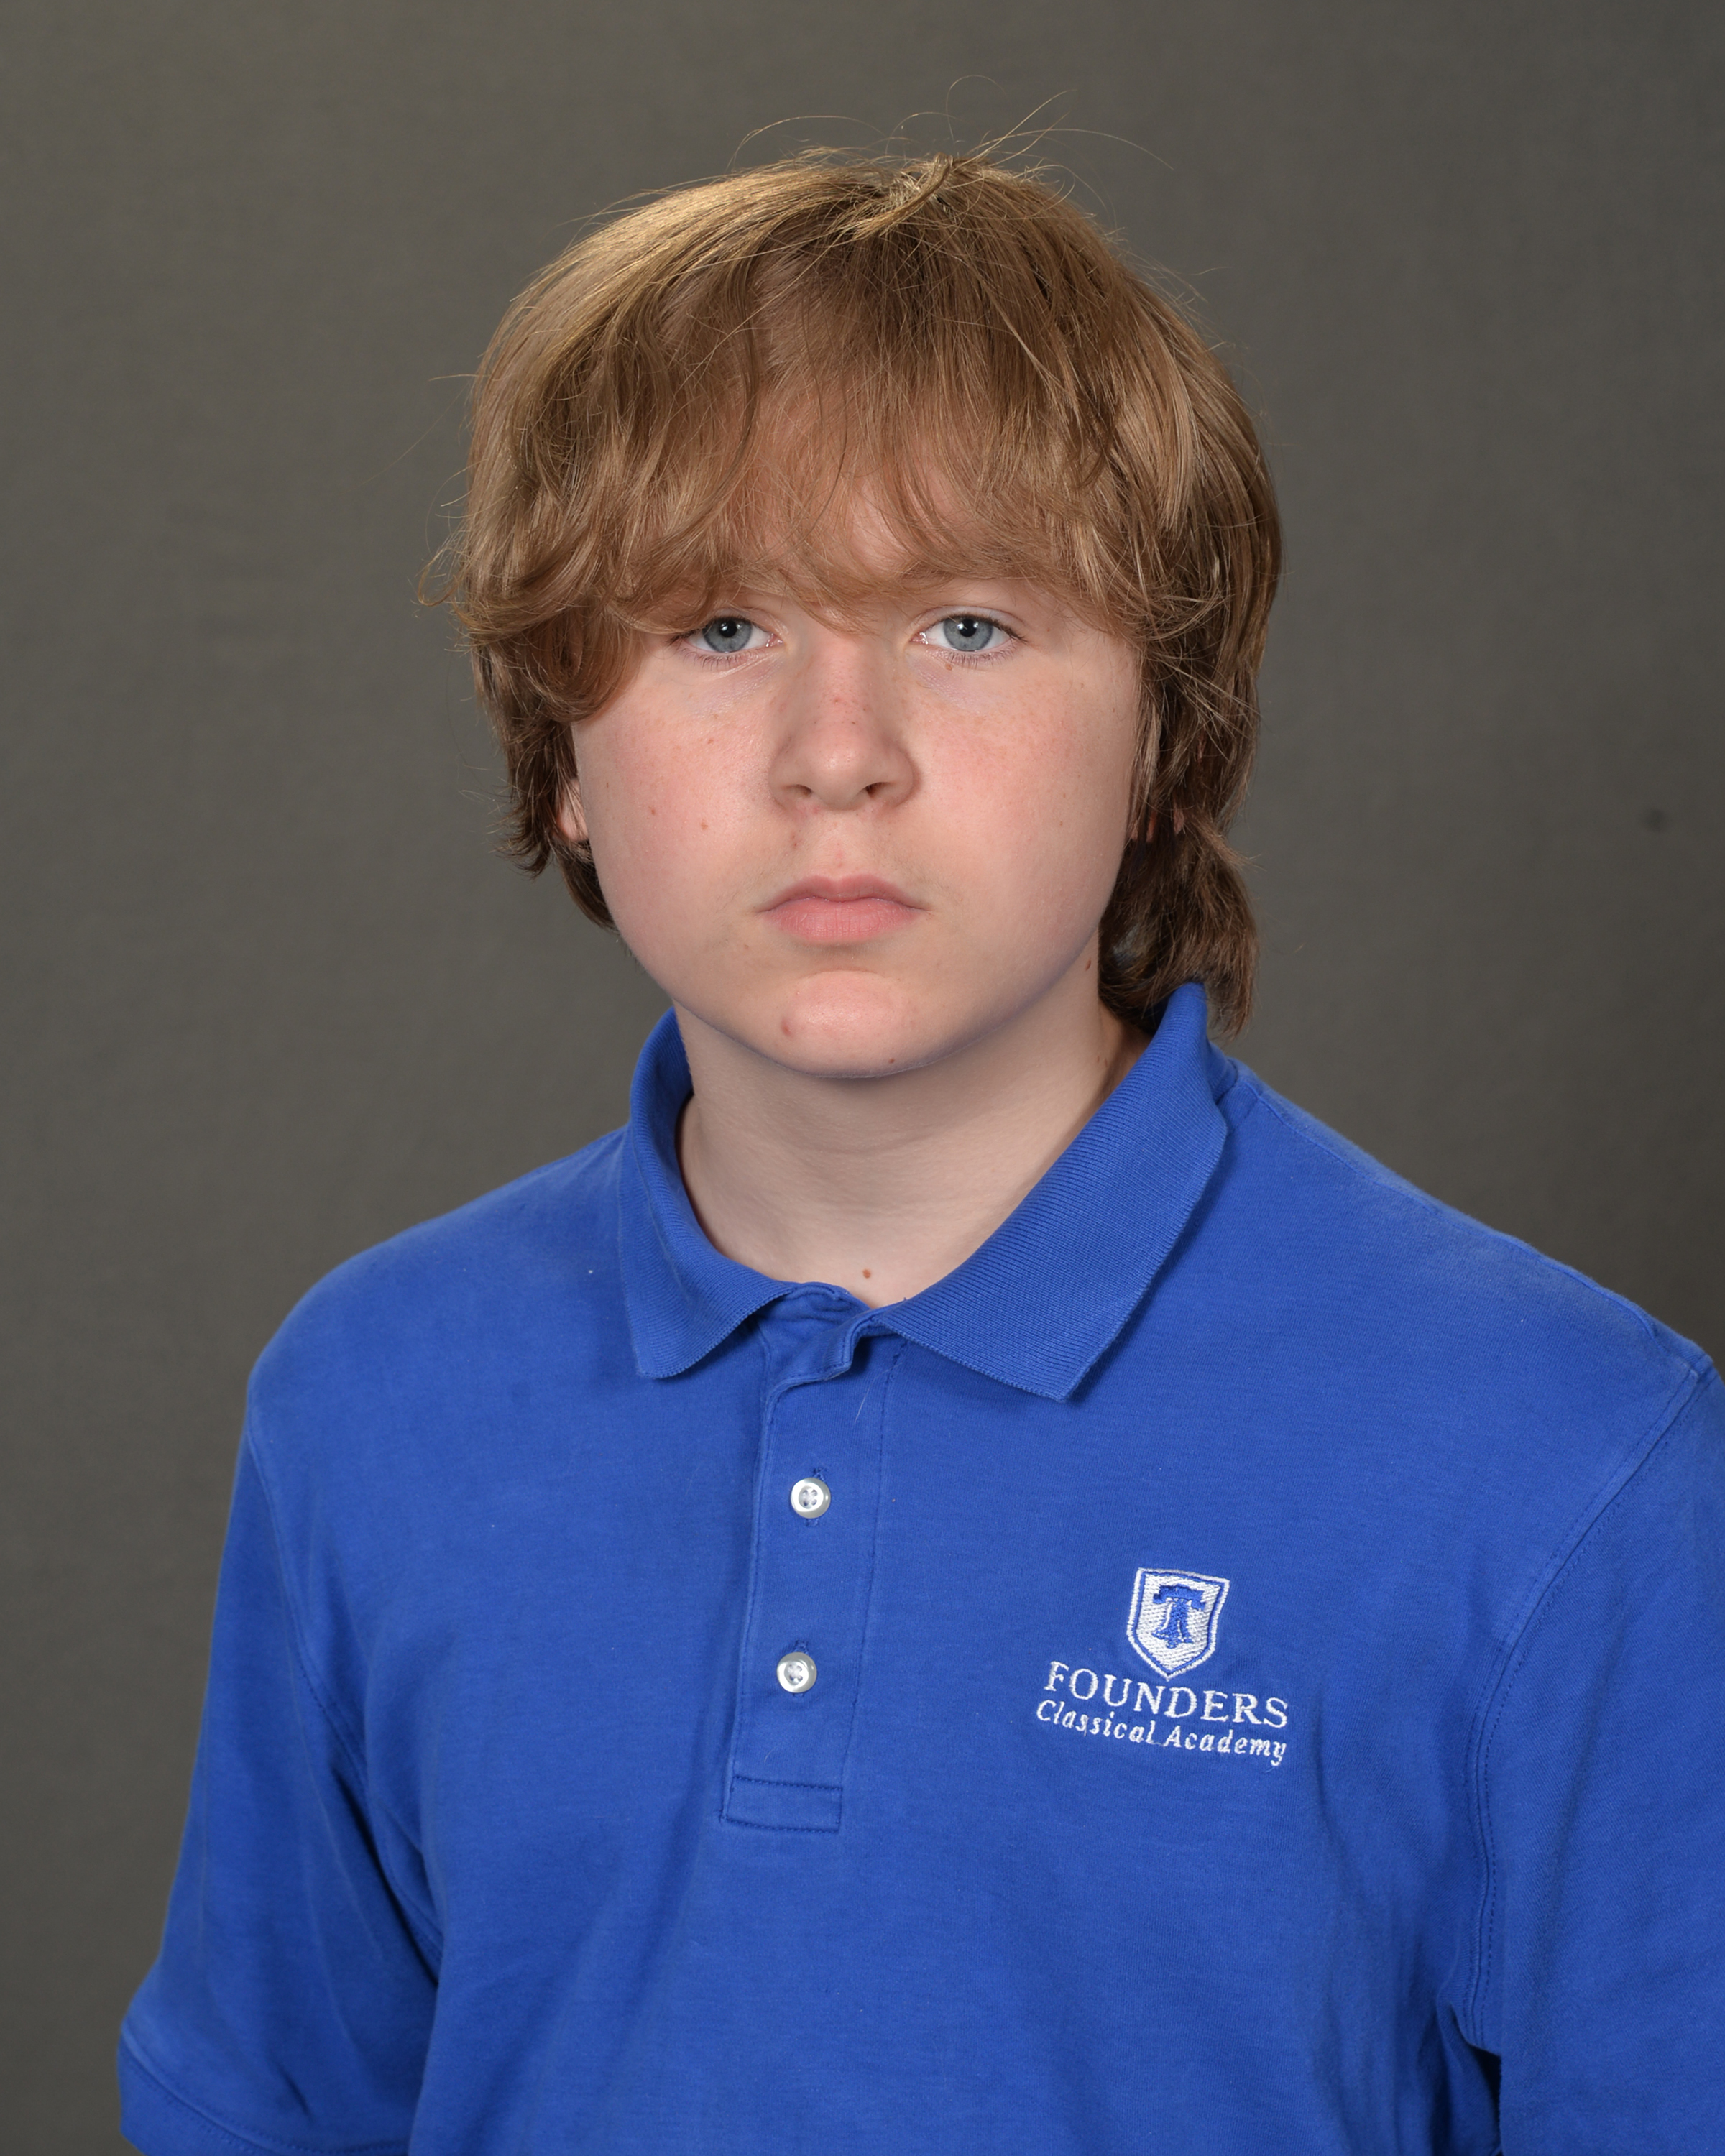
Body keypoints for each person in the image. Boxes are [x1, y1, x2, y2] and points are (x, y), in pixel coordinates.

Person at [119, 150, 1724, 2156]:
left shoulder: (1565, 1459)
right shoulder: (370, 1400)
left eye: (966, 623)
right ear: (562, 752)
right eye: (720, 624)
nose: (838, 753)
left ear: (1161, 737)